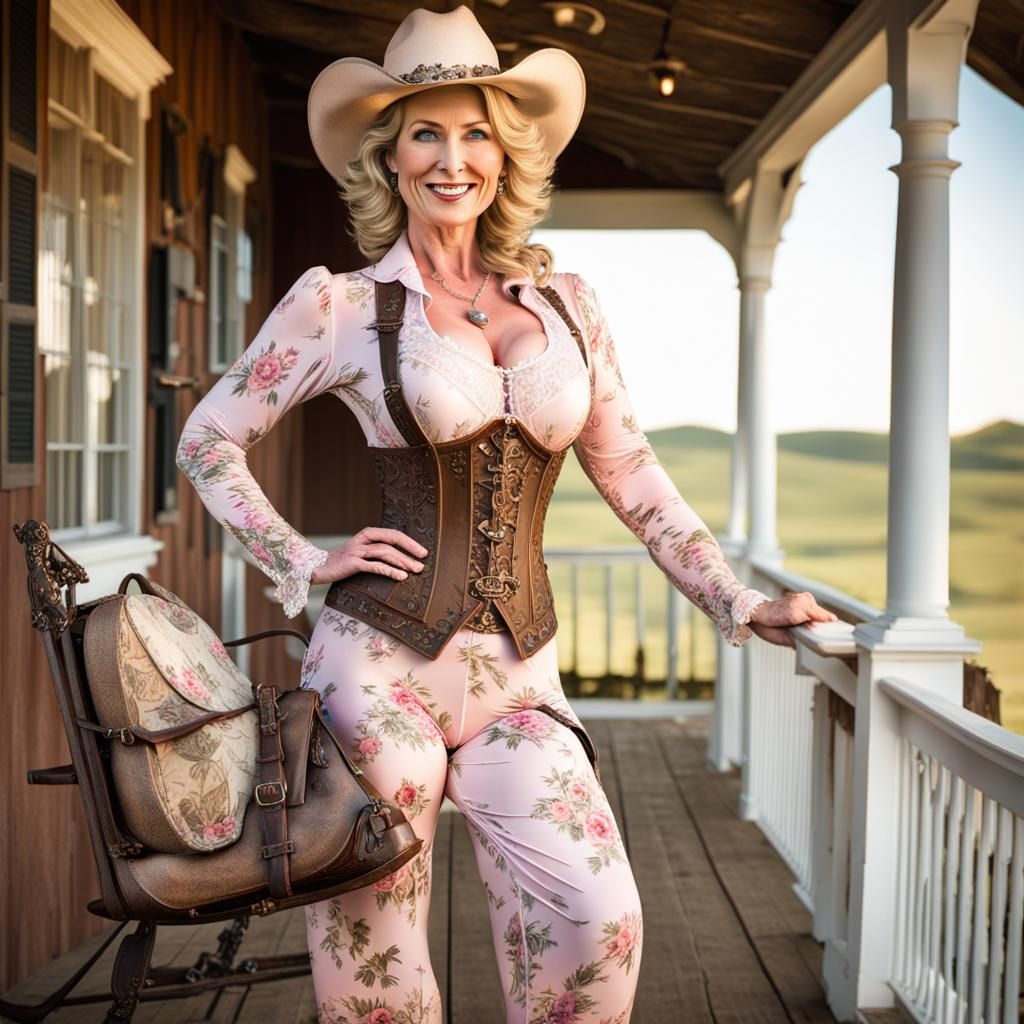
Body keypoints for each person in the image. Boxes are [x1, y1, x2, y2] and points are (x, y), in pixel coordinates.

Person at [176, 7, 838, 1022]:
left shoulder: (568, 304)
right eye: (427, 133)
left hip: (519, 674)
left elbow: (632, 472)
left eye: (476, 130)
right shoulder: (343, 306)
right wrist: (306, 559)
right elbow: (207, 440)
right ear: (388, 157)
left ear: (505, 151)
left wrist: (740, 601)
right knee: (378, 968)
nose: (454, 157)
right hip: (375, 671)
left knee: (594, 916)